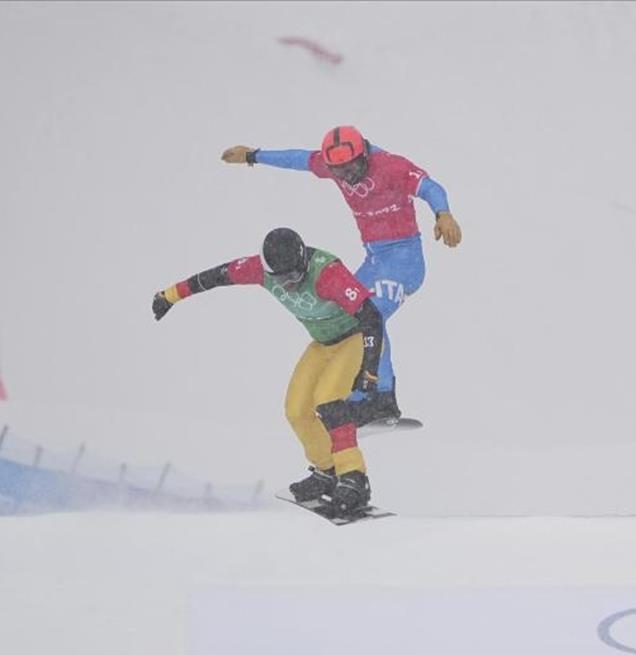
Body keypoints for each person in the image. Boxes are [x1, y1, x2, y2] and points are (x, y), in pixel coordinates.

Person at [220, 126, 462, 425]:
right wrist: (253, 156)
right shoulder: (335, 168)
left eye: (353, 167)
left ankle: (380, 398)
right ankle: (359, 394)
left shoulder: (390, 165)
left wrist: (443, 213)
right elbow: (298, 159)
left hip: (404, 261)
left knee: (369, 316)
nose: (348, 176)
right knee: (344, 315)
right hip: (375, 259)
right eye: (339, 171)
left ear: (365, 155)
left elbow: (431, 188)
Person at [151, 227, 384, 516]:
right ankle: (328, 470)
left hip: (353, 339)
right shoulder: (258, 271)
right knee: (296, 410)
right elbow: (215, 277)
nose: (288, 284)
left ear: (304, 264)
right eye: (281, 278)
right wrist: (170, 295)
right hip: (323, 344)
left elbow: (371, 317)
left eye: (295, 276)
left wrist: (370, 370)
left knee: (328, 400)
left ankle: (354, 477)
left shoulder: (327, 273)